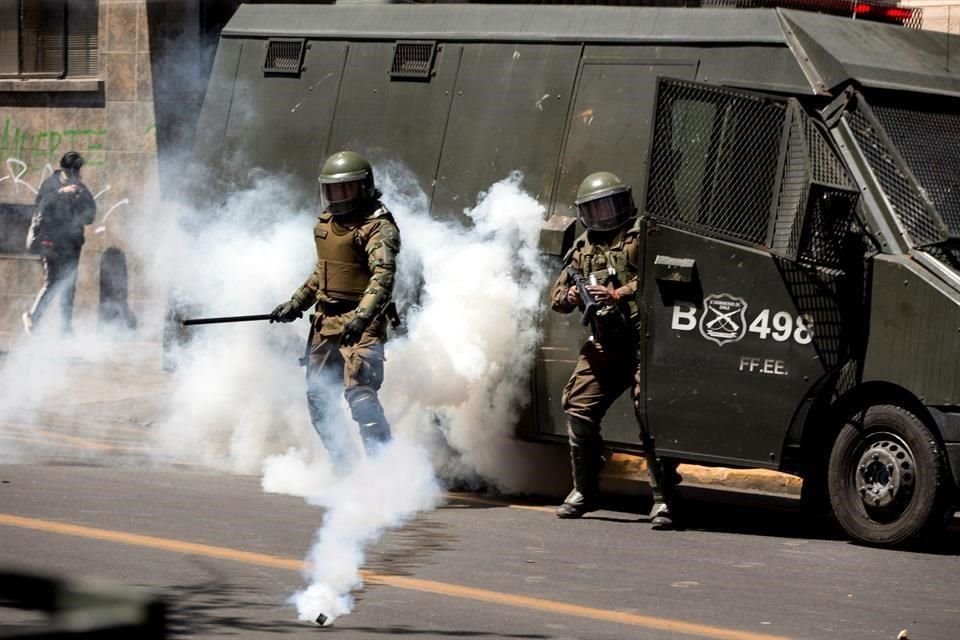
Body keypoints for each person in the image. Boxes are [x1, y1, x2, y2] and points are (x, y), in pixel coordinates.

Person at [550, 171, 678, 529]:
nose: (604, 215)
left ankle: (662, 498)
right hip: (606, 343)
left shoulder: (639, 237)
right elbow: (556, 297)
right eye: (595, 209)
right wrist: (573, 295)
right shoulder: (582, 248)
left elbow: (659, 276)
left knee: (649, 415)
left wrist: (619, 293)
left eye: (609, 206)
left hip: (644, 343)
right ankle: (585, 490)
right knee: (578, 409)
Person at [270, 150, 400, 471]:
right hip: (325, 321)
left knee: (361, 397)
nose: (339, 198)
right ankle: (347, 470)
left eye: (347, 189)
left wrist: (361, 318)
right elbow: (323, 274)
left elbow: (382, 279)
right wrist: (295, 303)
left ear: (364, 187)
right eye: (333, 190)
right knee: (318, 400)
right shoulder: (328, 224)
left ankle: (385, 474)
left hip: (361, 321)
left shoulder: (376, 227)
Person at [23, 151, 97, 335]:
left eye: (77, 171)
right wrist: (60, 193)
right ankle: (33, 316)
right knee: (53, 282)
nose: (75, 175)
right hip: (51, 241)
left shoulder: (81, 188)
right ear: (65, 169)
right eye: (73, 171)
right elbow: (40, 207)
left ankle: (65, 326)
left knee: (69, 284)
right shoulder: (50, 185)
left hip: (72, 243)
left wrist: (81, 198)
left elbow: (90, 216)